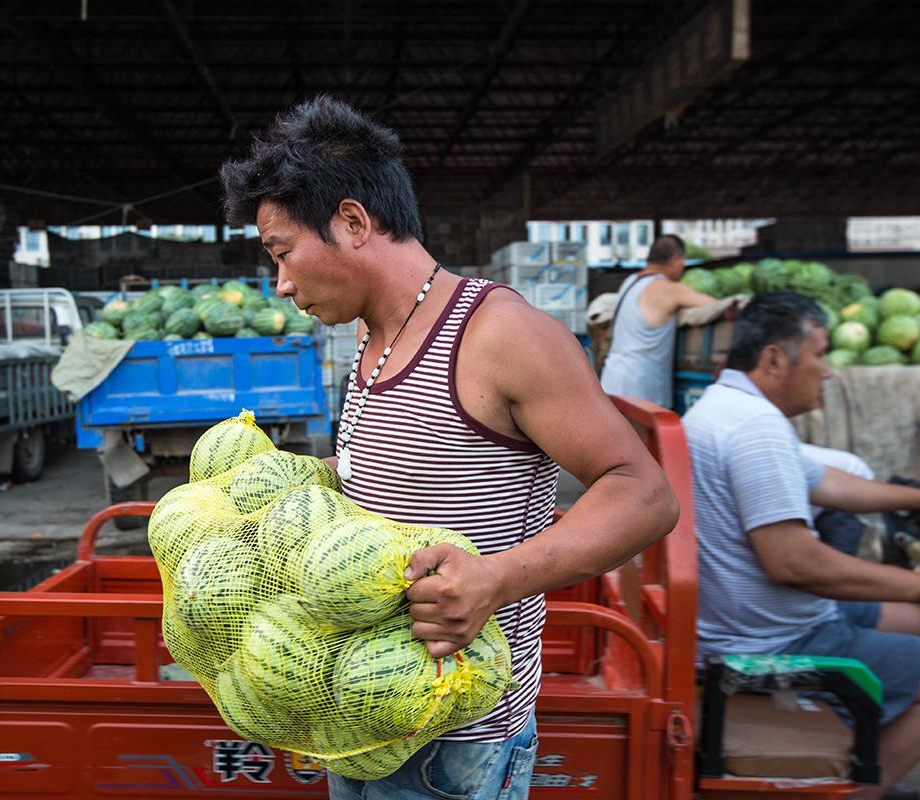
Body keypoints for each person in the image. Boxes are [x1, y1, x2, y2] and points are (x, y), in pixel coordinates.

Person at [220, 96, 679, 800]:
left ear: (352, 221)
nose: (280, 284)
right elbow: (398, 478)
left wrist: (496, 579)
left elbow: (644, 494)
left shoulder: (501, 335)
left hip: (456, 747)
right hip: (362, 722)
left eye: (281, 254)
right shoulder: (369, 343)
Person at [682, 292, 920, 800]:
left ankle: (857, 759)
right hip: (772, 642)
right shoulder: (756, 430)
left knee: (916, 618)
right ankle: (861, 789)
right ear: (775, 358)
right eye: (820, 354)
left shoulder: (724, 406)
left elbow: (832, 485)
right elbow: (794, 563)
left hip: (772, 618)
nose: (830, 371)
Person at [599, 234, 718, 408]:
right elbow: (716, 305)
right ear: (675, 259)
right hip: (639, 389)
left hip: (613, 380)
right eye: (683, 261)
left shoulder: (631, 282)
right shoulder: (667, 289)